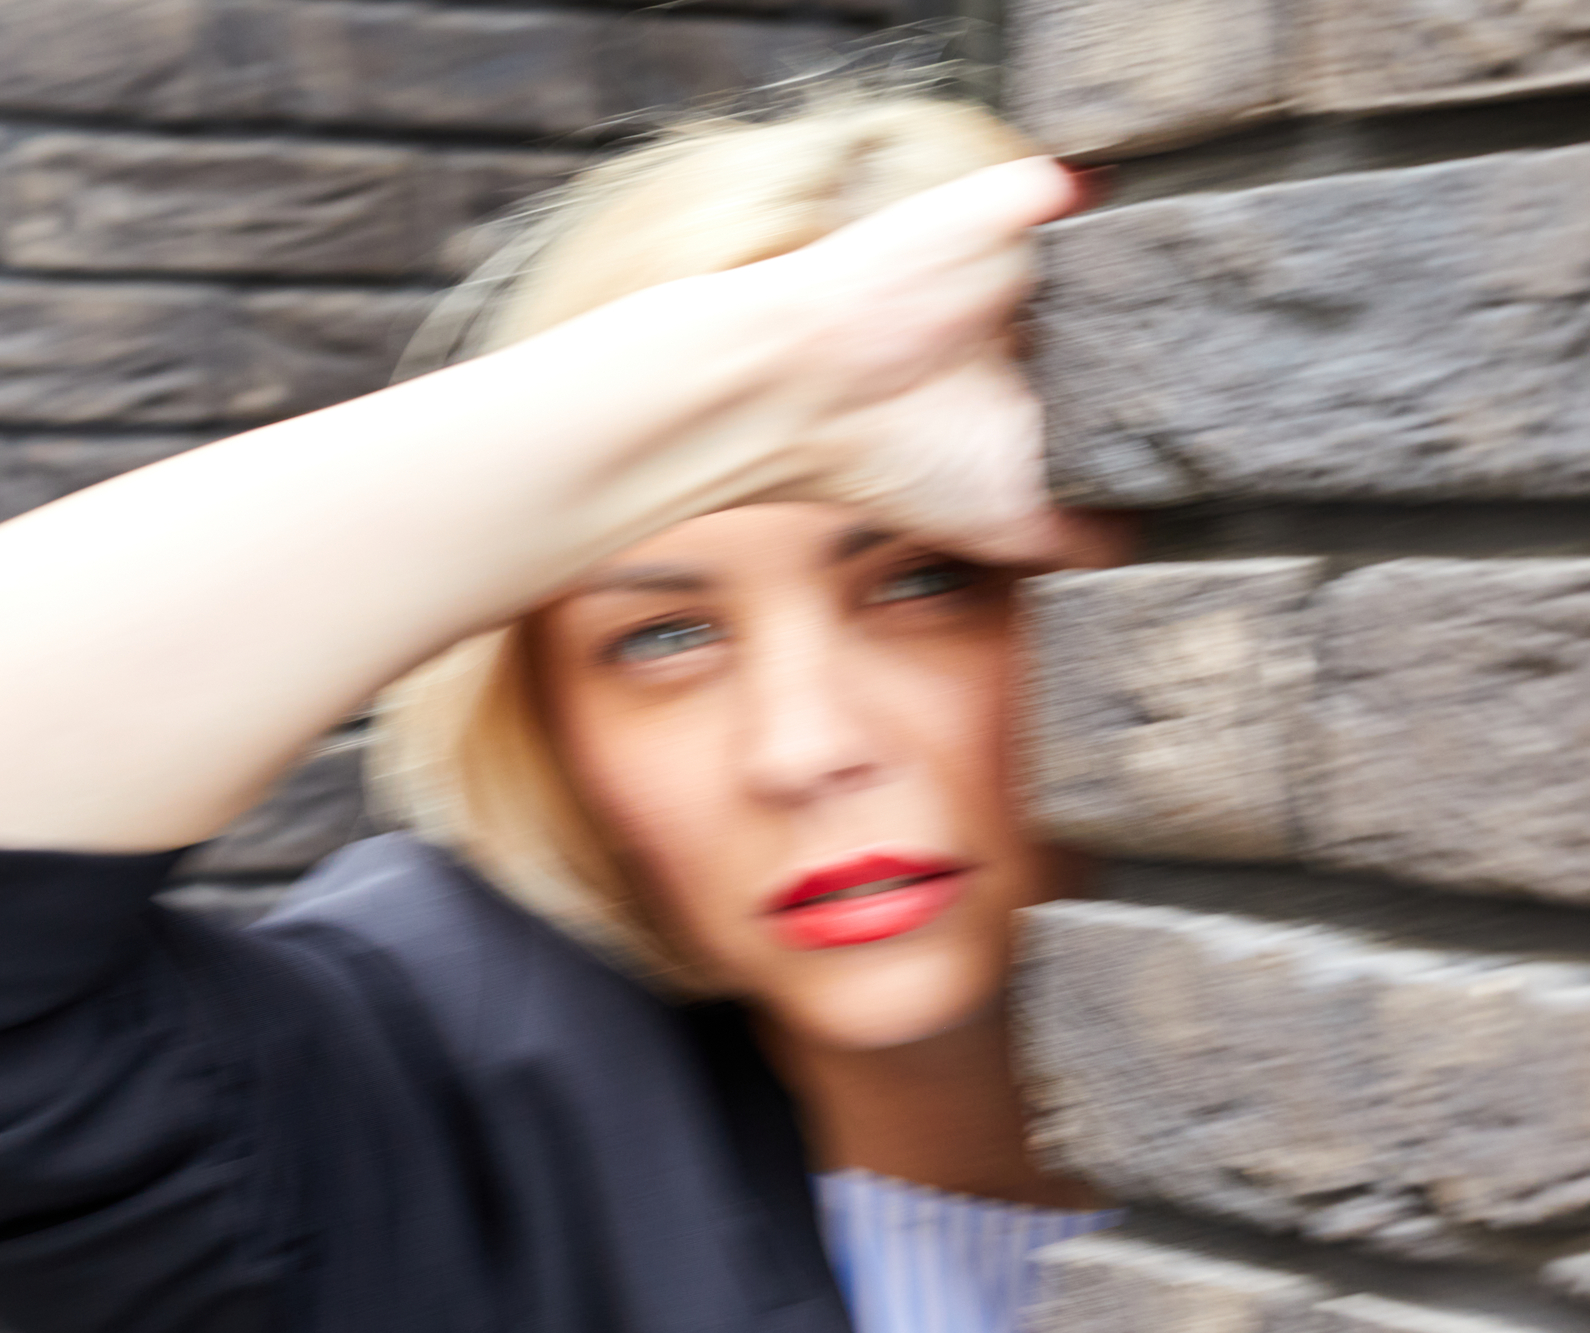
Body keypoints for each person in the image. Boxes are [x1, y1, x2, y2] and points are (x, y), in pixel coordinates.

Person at [0, 91, 1128, 1333]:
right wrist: (786, 372)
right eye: (663, 636)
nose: (804, 748)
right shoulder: (454, 1095)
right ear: (548, 721)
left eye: (925, 581)